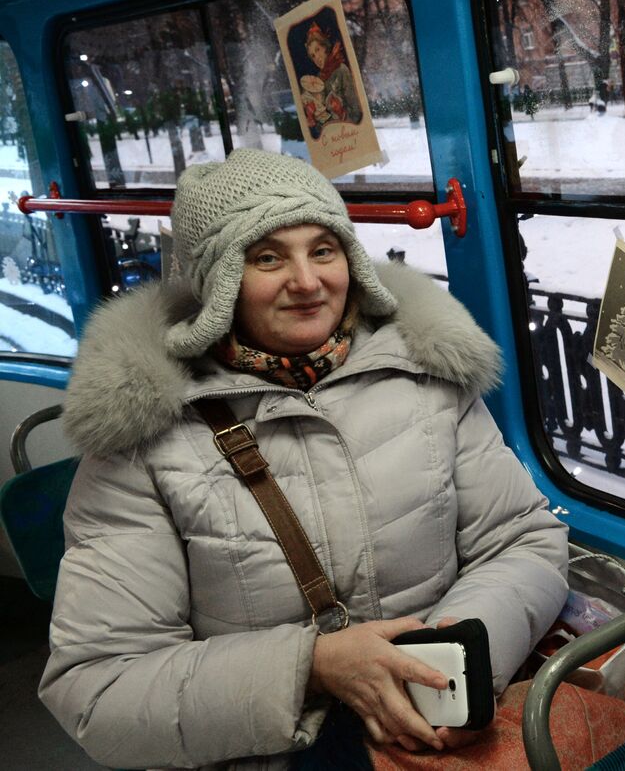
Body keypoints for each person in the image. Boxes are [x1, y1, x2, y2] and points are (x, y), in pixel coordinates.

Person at [41, 149, 569, 770]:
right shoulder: (145, 437)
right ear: (219, 281)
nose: (308, 281)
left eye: (324, 249)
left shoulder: (424, 376)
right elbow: (99, 688)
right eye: (268, 257)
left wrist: (453, 666)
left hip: (435, 726)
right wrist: (310, 670)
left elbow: (523, 541)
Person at [303, 22, 363, 137]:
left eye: (318, 50)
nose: (317, 58)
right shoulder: (317, 80)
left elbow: (356, 113)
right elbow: (322, 127)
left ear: (325, 47)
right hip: (331, 143)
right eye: (313, 56)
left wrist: (341, 112)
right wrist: (313, 117)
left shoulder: (341, 70)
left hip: (352, 138)